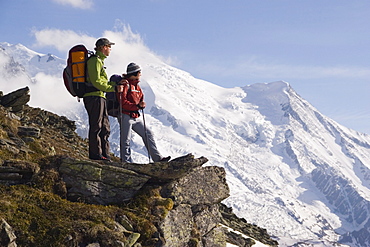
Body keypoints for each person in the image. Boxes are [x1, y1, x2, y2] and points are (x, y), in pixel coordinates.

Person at [117, 62, 170, 163]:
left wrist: (141, 104)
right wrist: (137, 106)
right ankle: (126, 162)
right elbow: (122, 102)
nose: (140, 74)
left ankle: (157, 158)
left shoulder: (137, 86)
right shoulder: (125, 84)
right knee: (126, 140)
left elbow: (140, 98)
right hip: (125, 115)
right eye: (139, 72)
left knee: (148, 133)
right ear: (135, 73)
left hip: (134, 115)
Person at [83, 37, 124, 161]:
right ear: (103, 47)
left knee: (105, 127)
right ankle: (96, 155)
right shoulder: (94, 61)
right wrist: (113, 89)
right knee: (96, 125)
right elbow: (96, 82)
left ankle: (105, 154)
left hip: (100, 96)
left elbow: (101, 82)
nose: (110, 49)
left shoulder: (99, 61)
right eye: (109, 47)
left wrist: (114, 86)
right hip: (94, 96)